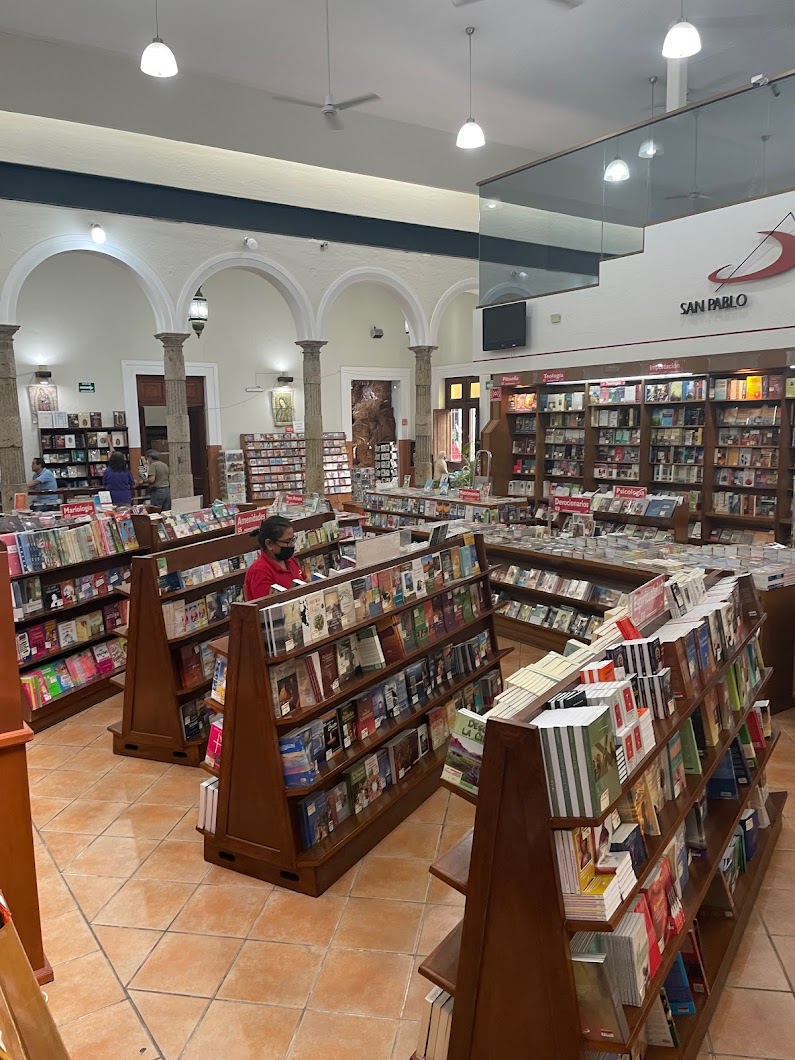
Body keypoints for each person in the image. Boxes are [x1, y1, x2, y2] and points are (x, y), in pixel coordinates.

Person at [244, 515, 303, 600]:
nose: (293, 545)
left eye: (293, 540)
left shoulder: (290, 560)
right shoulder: (259, 571)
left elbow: (304, 580)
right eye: (287, 542)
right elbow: (265, 604)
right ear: (270, 544)